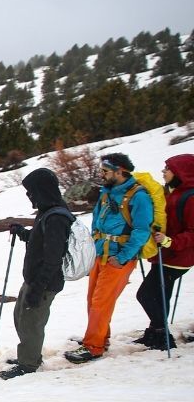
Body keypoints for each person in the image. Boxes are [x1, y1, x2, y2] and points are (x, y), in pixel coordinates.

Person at [65, 153, 153, 364]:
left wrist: (123, 256)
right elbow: (96, 221)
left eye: (105, 171)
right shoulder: (107, 194)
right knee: (93, 299)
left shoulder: (139, 196)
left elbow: (142, 230)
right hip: (100, 254)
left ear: (120, 171)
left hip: (118, 257)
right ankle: (98, 337)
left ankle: (93, 347)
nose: (101, 175)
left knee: (101, 302)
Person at [0, 168, 73, 379]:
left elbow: (52, 258)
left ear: (41, 190)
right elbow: (40, 239)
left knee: (32, 322)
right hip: (34, 279)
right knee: (21, 317)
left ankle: (29, 364)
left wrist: (38, 288)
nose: (28, 195)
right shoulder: (47, 210)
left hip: (45, 282)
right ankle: (29, 354)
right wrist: (23, 233)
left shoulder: (56, 217)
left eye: (31, 191)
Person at [134, 154, 194, 350]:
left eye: (167, 169)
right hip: (165, 255)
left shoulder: (190, 198)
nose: (163, 172)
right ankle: (155, 332)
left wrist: (169, 241)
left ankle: (162, 334)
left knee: (145, 294)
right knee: (161, 294)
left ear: (180, 172)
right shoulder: (170, 192)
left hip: (178, 257)